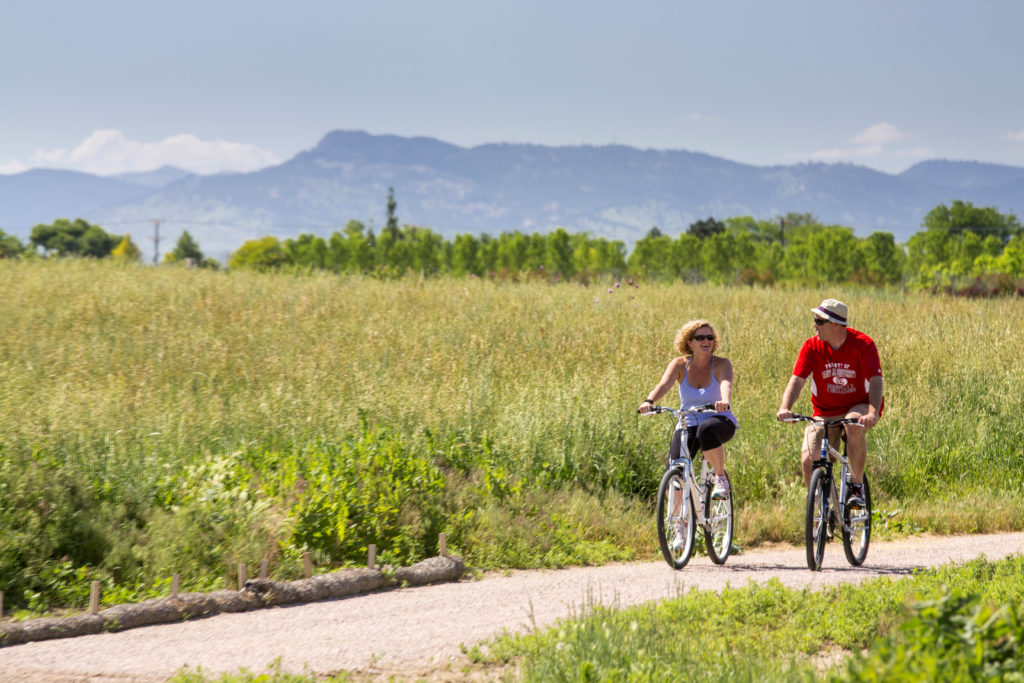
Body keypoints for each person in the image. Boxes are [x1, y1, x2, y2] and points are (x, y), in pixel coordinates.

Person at [776, 298, 883, 508]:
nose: (814, 324)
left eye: (819, 320)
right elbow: (797, 380)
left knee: (852, 425)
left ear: (835, 324)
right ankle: (819, 513)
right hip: (824, 411)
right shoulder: (811, 346)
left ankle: (857, 487)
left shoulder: (863, 344)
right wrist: (785, 407)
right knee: (809, 459)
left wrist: (873, 411)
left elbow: (875, 380)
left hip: (858, 406)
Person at [639, 319, 737, 501]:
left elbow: (726, 383)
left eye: (710, 337)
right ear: (689, 342)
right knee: (674, 473)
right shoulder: (679, 364)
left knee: (706, 430)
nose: (706, 341)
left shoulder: (722, 364)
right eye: (700, 337)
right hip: (689, 422)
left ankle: (720, 478)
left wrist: (724, 400)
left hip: (719, 420)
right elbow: (664, 384)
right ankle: (678, 525)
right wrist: (649, 401)